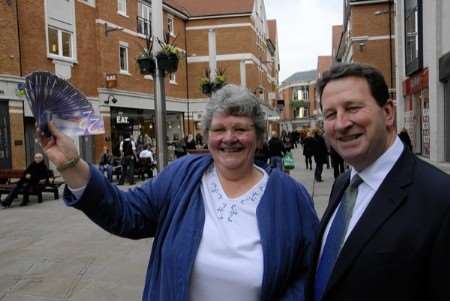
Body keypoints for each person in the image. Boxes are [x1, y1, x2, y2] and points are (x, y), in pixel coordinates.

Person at [37, 84, 319, 301]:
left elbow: (310, 272)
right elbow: (125, 213)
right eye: (219, 129)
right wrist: (72, 164)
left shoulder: (289, 195)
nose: (229, 138)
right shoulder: (183, 175)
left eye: (240, 129)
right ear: (206, 136)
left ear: (258, 137)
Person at [306, 63, 450, 301]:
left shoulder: (440, 200)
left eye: (352, 108)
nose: (341, 123)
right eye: (331, 114)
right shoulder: (343, 184)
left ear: (388, 113)